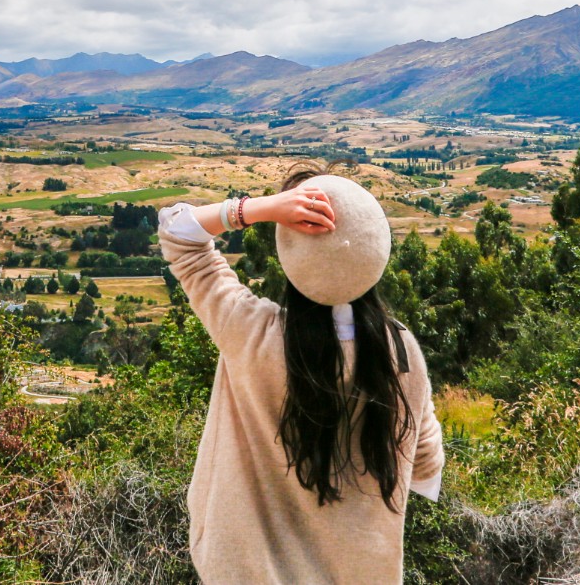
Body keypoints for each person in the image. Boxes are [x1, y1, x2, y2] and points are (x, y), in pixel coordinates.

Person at [158, 169, 443, 584]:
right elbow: (427, 472)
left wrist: (260, 209)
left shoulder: (250, 332)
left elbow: (178, 230)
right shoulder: (401, 354)